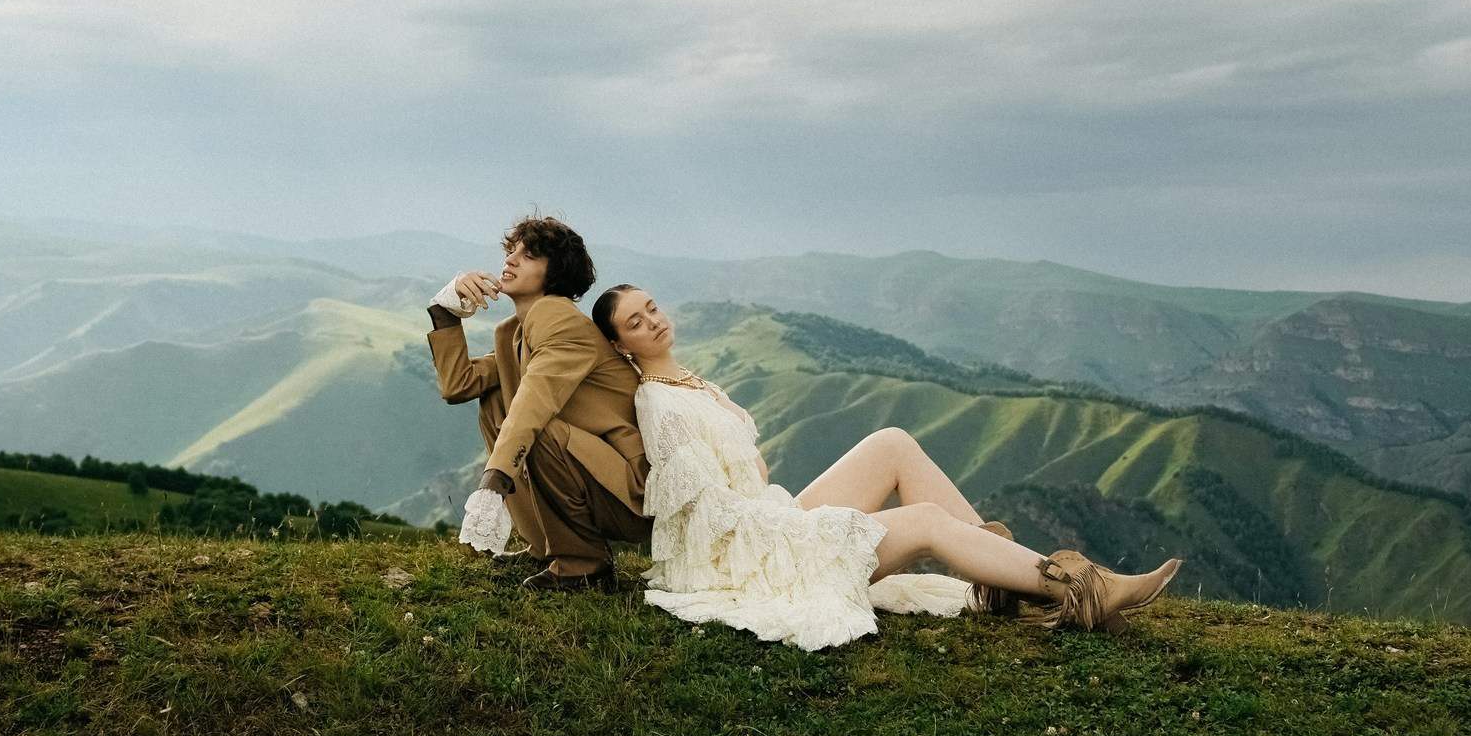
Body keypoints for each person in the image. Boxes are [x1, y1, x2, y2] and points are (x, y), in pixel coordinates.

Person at [592, 283, 1181, 650]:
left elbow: (749, 471)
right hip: (751, 549)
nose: (653, 322)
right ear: (621, 345)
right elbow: (696, 511)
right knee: (923, 520)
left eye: (652, 308)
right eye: (635, 323)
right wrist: (775, 523)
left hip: (768, 514)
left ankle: (1007, 581)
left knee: (892, 441)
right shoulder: (658, 400)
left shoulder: (693, 382)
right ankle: (1085, 589)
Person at [427, 216, 648, 592]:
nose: (511, 260)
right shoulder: (516, 331)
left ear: (555, 272)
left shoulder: (559, 319)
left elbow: (533, 405)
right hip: (596, 480)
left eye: (528, 256)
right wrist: (444, 312)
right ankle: (548, 546)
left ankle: (585, 565)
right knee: (497, 399)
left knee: (536, 425)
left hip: (632, 493)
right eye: (512, 251)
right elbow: (460, 385)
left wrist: (492, 483)